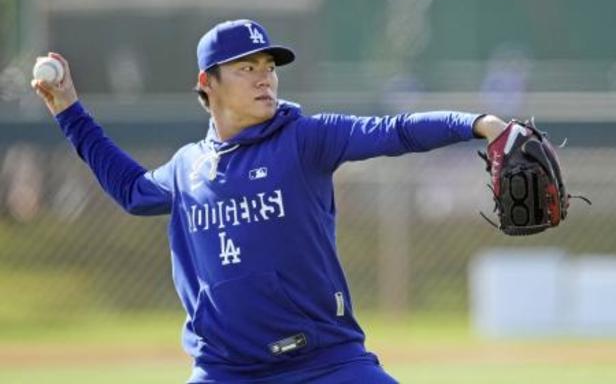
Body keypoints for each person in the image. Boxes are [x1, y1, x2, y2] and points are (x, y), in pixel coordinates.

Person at [32, 19, 507, 384]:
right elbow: (133, 191)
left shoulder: (304, 139)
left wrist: (480, 124)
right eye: (247, 68)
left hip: (326, 362)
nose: (264, 79)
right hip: (226, 371)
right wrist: (68, 110)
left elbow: (393, 131)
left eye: (269, 67)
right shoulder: (187, 167)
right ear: (208, 81)